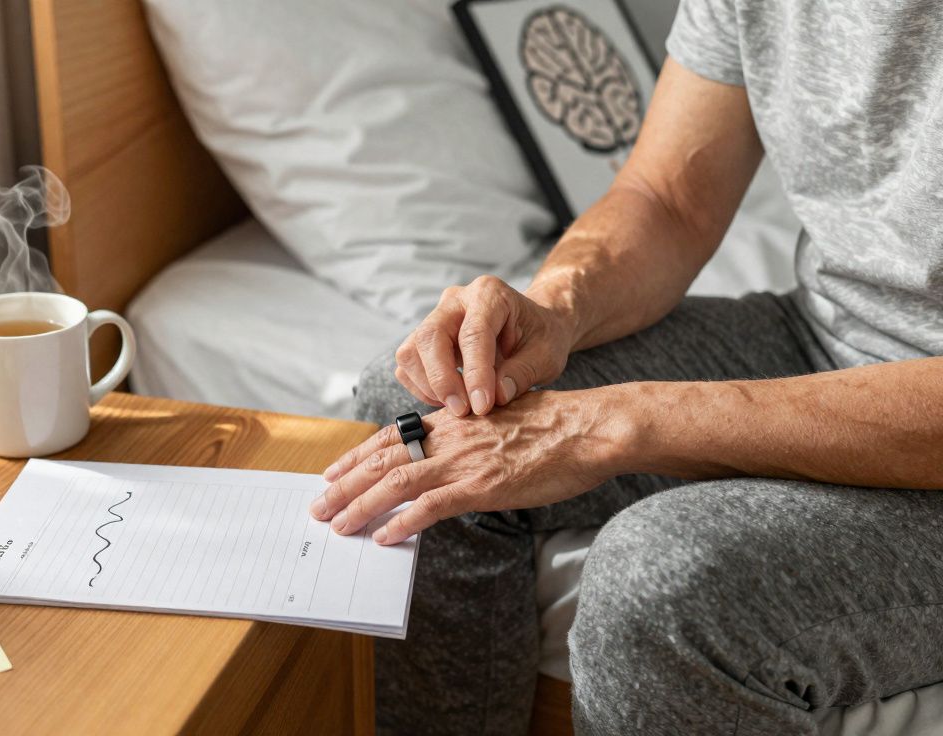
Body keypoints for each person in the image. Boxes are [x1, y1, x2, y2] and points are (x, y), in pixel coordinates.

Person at [310, 1, 943, 733]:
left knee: (661, 586)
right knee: (417, 411)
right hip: (824, 336)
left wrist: (613, 422)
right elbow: (668, 198)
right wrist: (552, 307)